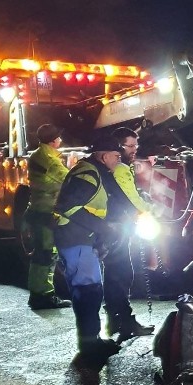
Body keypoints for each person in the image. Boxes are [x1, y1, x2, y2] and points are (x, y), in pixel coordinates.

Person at [53, 135, 126, 363]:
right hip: (76, 240)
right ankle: (89, 346)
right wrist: (103, 228)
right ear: (104, 156)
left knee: (89, 290)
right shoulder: (88, 174)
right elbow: (67, 206)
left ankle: (91, 341)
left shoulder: (93, 171)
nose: (118, 161)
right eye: (116, 156)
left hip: (79, 239)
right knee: (88, 291)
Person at [101, 127, 155, 341]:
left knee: (115, 272)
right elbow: (130, 198)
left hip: (112, 226)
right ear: (118, 146)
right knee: (122, 273)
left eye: (136, 145)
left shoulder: (114, 167)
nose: (134, 149)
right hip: (118, 227)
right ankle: (124, 321)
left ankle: (116, 319)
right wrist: (150, 209)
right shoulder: (121, 168)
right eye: (130, 146)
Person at [25, 124, 72, 310]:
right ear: (53, 140)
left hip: (39, 210)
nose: (61, 140)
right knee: (46, 254)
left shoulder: (41, 155)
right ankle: (43, 295)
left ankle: (39, 294)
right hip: (45, 211)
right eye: (59, 137)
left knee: (43, 254)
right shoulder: (48, 159)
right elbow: (67, 178)